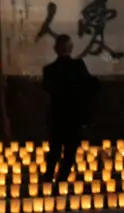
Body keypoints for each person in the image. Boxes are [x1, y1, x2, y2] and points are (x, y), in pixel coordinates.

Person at [42, 34, 99, 186]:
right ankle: (61, 181)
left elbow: (46, 89)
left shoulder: (49, 70)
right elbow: (92, 86)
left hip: (56, 115)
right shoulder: (78, 67)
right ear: (71, 48)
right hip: (74, 116)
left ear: (55, 49)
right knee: (69, 152)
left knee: (54, 149)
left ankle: (48, 178)